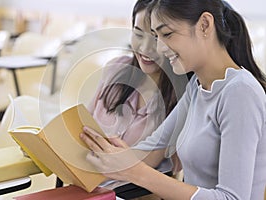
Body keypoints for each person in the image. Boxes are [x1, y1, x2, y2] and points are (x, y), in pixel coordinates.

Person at [80, 0, 266, 199]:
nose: (159, 48)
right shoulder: (197, 86)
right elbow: (154, 145)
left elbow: (233, 198)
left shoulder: (240, 92)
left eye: (166, 34)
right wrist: (101, 151)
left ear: (204, 25)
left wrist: (135, 172)